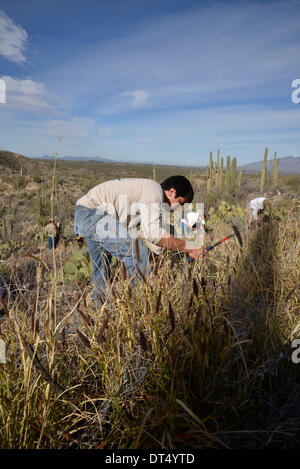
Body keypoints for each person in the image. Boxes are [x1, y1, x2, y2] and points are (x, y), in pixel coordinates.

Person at [74, 176, 206, 305]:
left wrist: (160, 264)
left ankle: (101, 312)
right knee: (136, 252)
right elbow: (153, 234)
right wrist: (190, 247)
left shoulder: (154, 202)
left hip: (85, 213)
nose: (179, 209)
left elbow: (155, 242)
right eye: (180, 203)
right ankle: (142, 306)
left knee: (102, 267)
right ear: (172, 191)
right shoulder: (154, 190)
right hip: (91, 213)